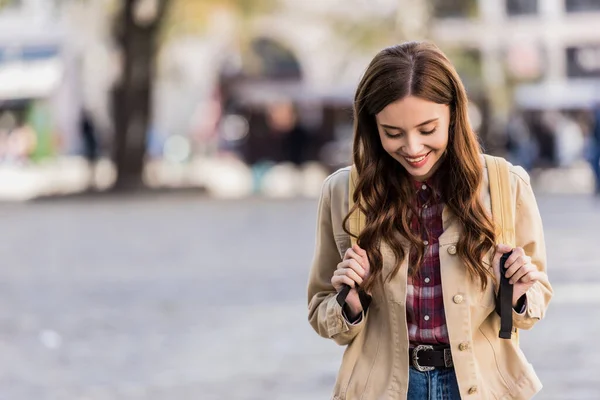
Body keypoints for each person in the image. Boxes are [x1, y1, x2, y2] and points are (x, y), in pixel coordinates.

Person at [307, 42, 552, 399]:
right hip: (385, 389)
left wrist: (514, 295)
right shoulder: (344, 191)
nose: (412, 147)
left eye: (427, 129)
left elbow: (535, 300)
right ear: (372, 126)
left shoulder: (505, 184)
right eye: (393, 133)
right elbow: (321, 310)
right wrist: (350, 303)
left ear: (454, 114)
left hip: (479, 387)